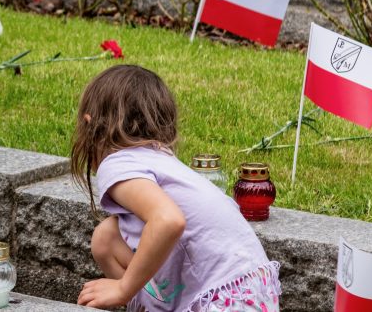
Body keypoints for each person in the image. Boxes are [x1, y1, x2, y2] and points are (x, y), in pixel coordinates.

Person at [70, 65, 280, 311]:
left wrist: (122, 288)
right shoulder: (162, 160)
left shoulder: (118, 162)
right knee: (106, 237)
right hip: (251, 291)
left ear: (90, 126)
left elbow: (168, 220)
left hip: (224, 302)